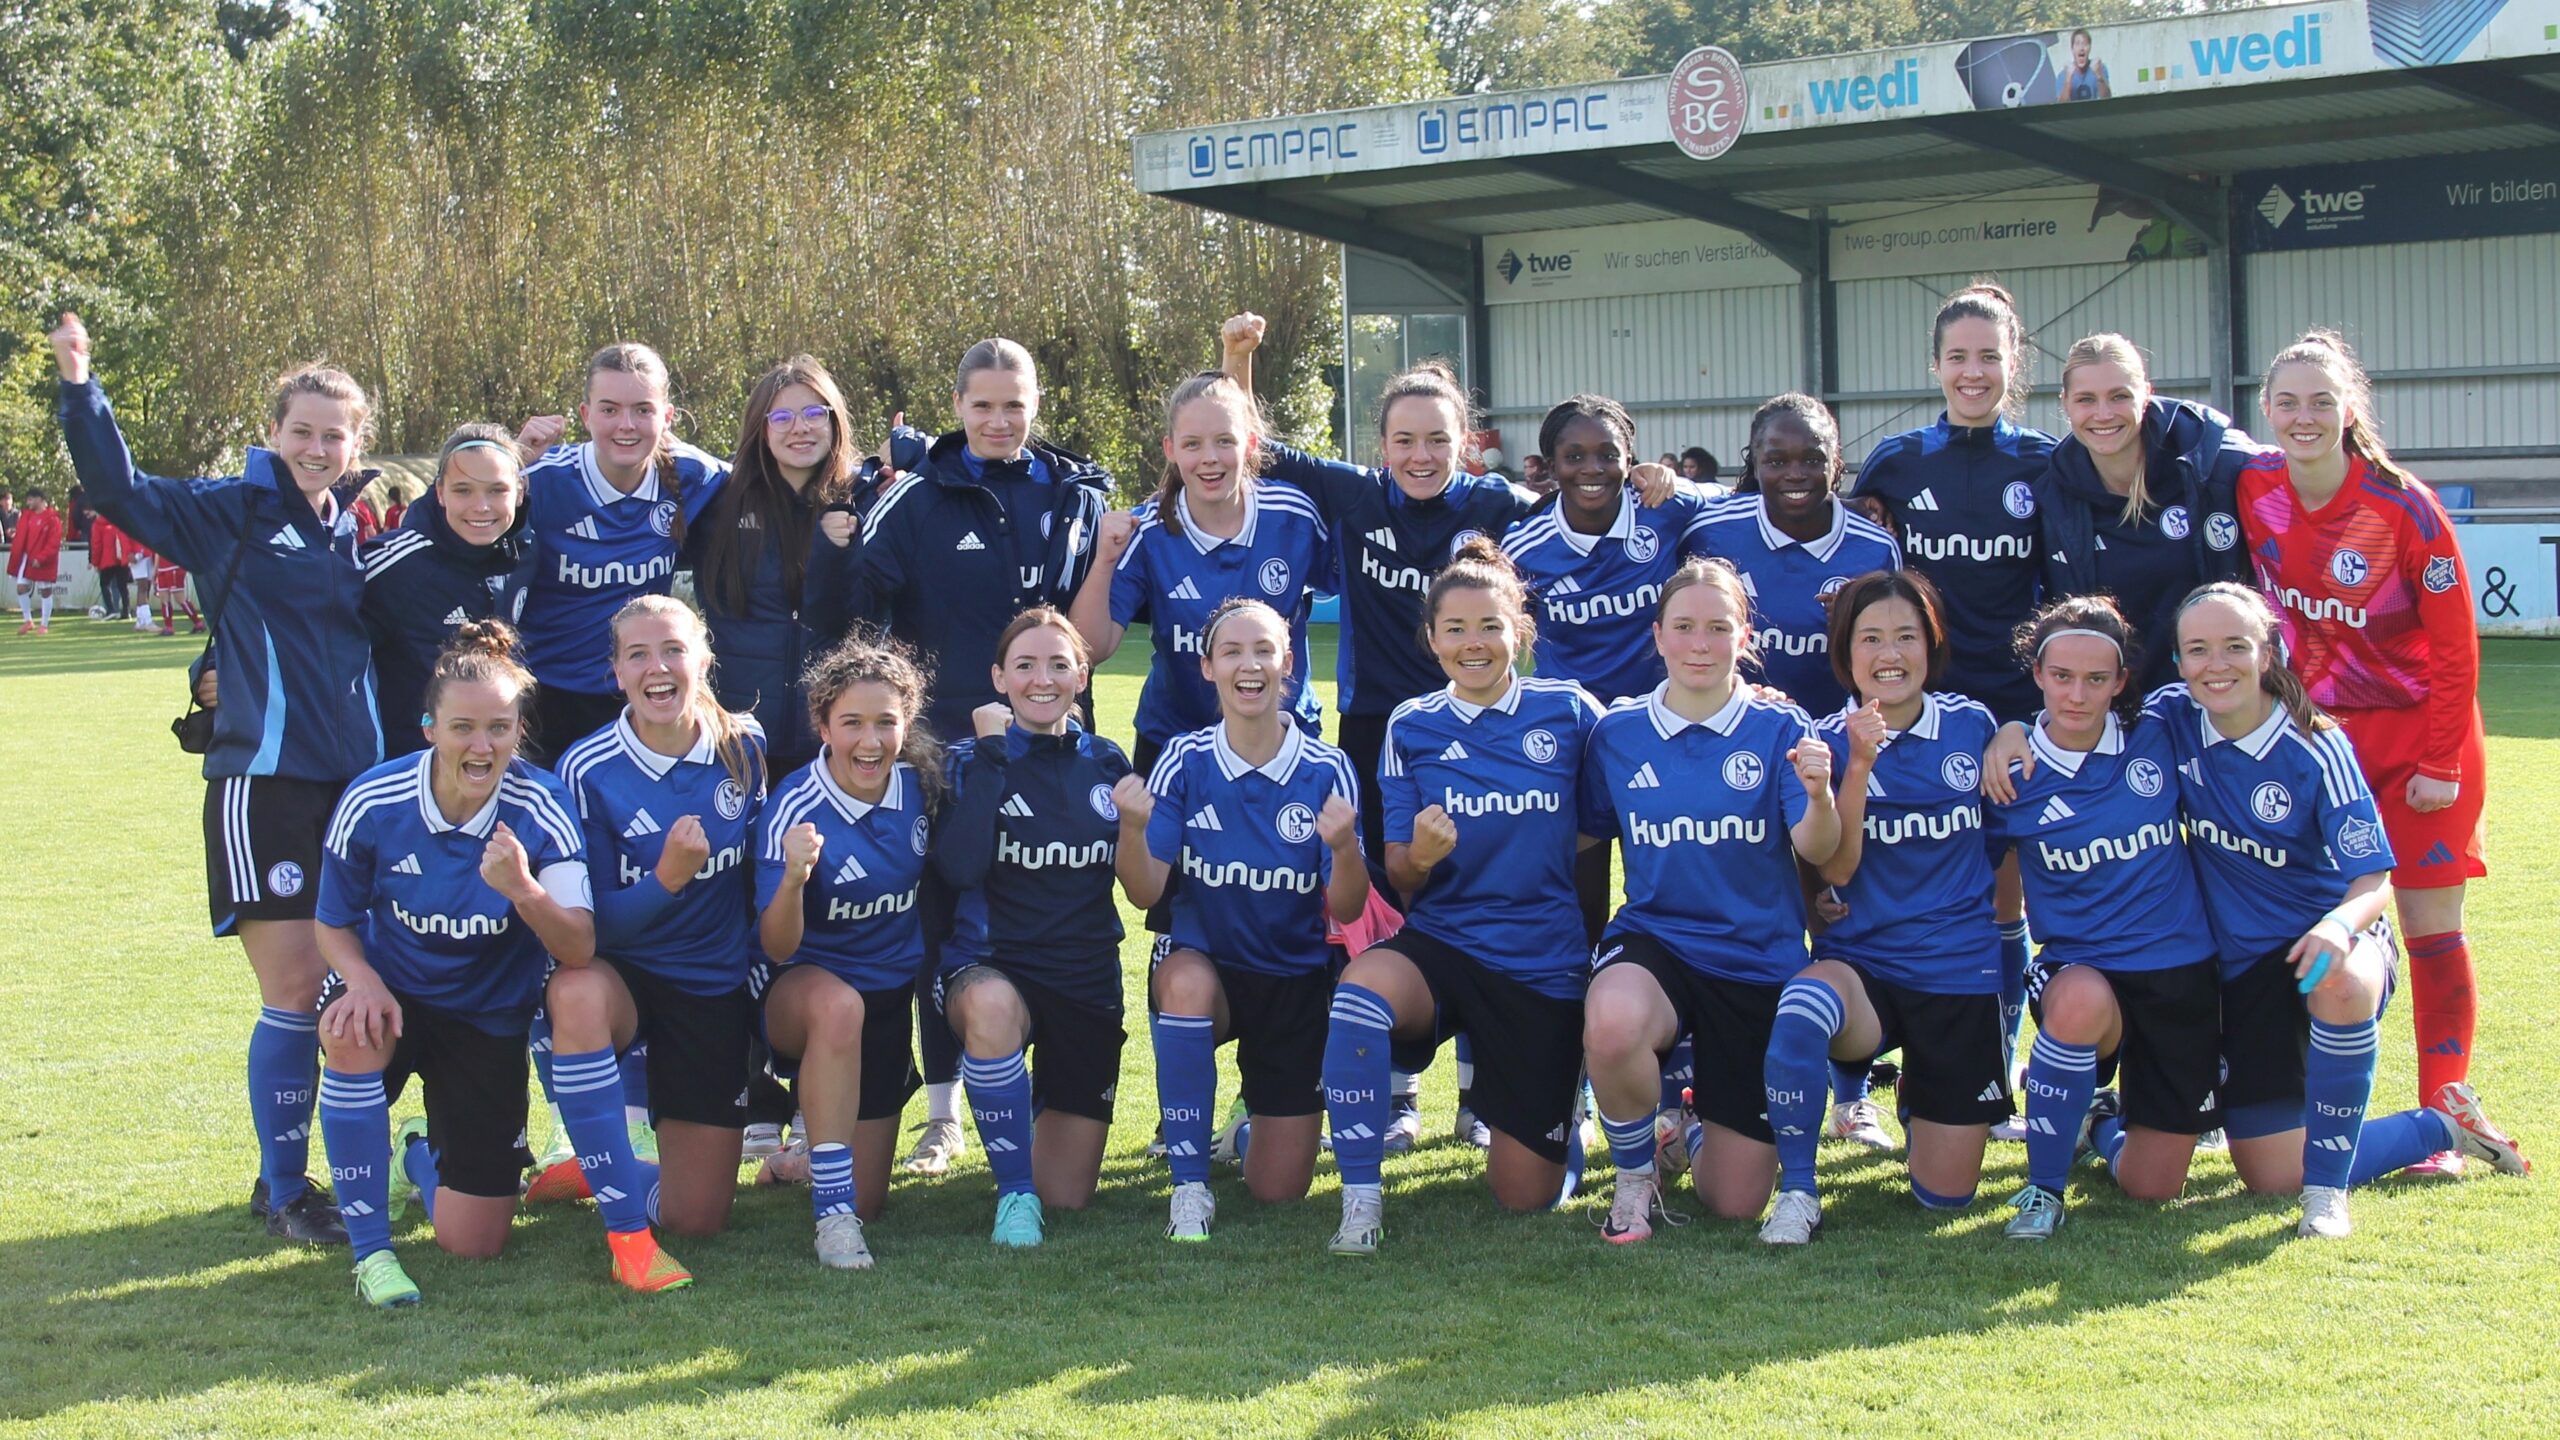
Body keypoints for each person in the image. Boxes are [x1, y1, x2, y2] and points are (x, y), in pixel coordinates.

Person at [1221, 312, 1674, 1152]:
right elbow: (1254, 444)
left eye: (1437, 438)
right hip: (1381, 729)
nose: (1419, 455)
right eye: (1403, 439)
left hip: (1494, 727)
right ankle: (1395, 1094)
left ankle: (1483, 1092)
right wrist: (1237, 360)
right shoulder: (1357, 496)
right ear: (1382, 444)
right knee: (1394, 900)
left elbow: (1587, 497)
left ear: (1466, 443)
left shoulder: (1497, 504)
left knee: (1496, 889)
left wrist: (1653, 481)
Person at [58, 311, 376, 1245]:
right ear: (273, 431)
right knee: (295, 989)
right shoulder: (228, 510)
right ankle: (284, 1190)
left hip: (354, 793)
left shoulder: (350, 530)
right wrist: (83, 387)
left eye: (335, 434)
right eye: (303, 431)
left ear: (355, 443)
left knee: (350, 983)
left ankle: (345, 1164)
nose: (318, 448)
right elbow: (114, 487)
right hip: (263, 786)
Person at [805, 338, 1116, 1178]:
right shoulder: (914, 503)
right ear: (958, 407)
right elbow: (860, 613)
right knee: (942, 923)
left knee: (1056, 907)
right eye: (983, 405)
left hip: (1054, 746)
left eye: (1015, 404)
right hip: (944, 752)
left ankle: (1061, 1088)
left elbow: (1097, 625)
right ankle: (942, 1117)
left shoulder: (1074, 493)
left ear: (1036, 404)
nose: (1000, 419)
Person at [2151, 583, 2526, 1239]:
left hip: (2333, 938)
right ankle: (2441, 1126)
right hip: (2242, 970)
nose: (2217, 664)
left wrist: (2335, 926)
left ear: (2269, 653)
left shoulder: (2316, 747)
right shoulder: (2171, 718)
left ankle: (2327, 1198)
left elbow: (2374, 877)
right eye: (2198, 649)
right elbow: (2083, 719)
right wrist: (2012, 734)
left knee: (2341, 978)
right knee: (2269, 1174)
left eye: (2235, 647)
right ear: (2179, 661)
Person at [2241, 330, 2500, 1175]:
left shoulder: (2404, 509)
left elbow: (2457, 649)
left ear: (2350, 409)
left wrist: (2441, 764)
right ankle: (2278, 1098)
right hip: (2322, 742)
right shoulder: (2255, 488)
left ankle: (2444, 1112)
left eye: (2322, 401)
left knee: (2427, 922)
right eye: (2288, 402)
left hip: (2421, 739)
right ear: (2266, 412)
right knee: (2306, 919)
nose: (2304, 417)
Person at [1320, 540, 1606, 1254]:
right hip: (1444, 946)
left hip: (1542, 965)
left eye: (1490, 626)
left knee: (1523, 1198)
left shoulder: (1569, 710)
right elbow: (1403, 877)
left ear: (1520, 631)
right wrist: (1420, 855)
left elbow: (1611, 809)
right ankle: (1360, 1202)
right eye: (1455, 629)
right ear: (1431, 639)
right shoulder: (1410, 724)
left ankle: (1559, 1110)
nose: (1473, 644)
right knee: (1359, 992)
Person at [310, 622, 595, 1306]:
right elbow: (332, 922)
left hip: (489, 1019)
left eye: (499, 727)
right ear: (429, 727)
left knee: (476, 1243)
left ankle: (416, 1150)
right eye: (463, 727)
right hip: (394, 994)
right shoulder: (374, 800)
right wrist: (364, 980)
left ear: (518, 730)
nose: (481, 745)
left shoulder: (543, 805)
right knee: (351, 1027)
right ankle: (372, 1254)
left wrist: (524, 890)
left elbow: (579, 947)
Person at [1581, 559, 1839, 1243]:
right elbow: (1581, 837)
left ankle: (1684, 1132)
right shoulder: (1617, 732)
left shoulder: (1780, 727)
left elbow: (1817, 848)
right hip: (1658, 940)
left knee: (1734, 1199)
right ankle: (1635, 1177)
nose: (1701, 644)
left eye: (1718, 628)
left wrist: (1819, 795)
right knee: (1610, 1022)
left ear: (1744, 635)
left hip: (1757, 958)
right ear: (1658, 636)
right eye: (1685, 627)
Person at [1846, 283, 2056, 1127]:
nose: (1975, 372)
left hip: (2002, 718)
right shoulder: (1897, 463)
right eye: (1959, 357)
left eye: (1990, 357)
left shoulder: (2044, 462)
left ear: (2014, 364)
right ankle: (1852, 1093)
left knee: (2001, 902)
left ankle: (1990, 1077)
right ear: (1935, 365)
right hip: (1904, 709)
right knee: (1867, 885)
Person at [1758, 570, 2007, 1242]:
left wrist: (2012, 736)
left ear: (1932, 644)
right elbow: (1832, 864)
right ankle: (1799, 1192)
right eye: (1871, 638)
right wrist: (1860, 765)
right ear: (1845, 651)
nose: (1889, 653)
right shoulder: (1821, 740)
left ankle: (1922, 1093)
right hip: (1862, 968)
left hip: (1957, 974)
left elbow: (2003, 841)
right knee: (1803, 1006)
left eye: (1907, 635)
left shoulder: (1972, 726)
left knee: (1944, 1201)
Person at [1118, 599, 1369, 1240]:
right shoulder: (1184, 759)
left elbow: (1345, 907)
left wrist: (1342, 848)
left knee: (1277, 1192)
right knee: (1182, 981)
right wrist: (1133, 828)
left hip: (1294, 981)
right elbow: (1146, 894)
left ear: (1288, 662)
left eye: (1264, 650)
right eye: (1231, 651)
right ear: (1207, 668)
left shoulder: (1326, 766)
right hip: (1212, 971)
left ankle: (1251, 1128)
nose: (1248, 664)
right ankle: (1189, 1186)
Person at [540, 595, 767, 1291]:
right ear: (614, 673)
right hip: (626, 977)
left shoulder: (744, 747)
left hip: (713, 984)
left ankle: (599, 1165)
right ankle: (625, 1236)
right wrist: (668, 879)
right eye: (637, 654)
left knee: (699, 1219)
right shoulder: (586, 767)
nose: (657, 667)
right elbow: (591, 929)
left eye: (673, 649)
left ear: (703, 659)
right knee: (574, 991)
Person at [1979, 596, 2220, 1239]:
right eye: (2061, 676)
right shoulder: (2011, 771)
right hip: (2080, 969)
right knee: (2079, 999)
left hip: (2180, 973)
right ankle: (2043, 1192)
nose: (2077, 695)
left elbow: (2235, 694)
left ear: (2120, 681)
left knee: (2152, 1187)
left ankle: (2099, 1123)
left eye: (2095, 680)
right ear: (2037, 674)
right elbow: (1958, 867)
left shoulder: (2160, 731)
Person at [931, 607, 1144, 1246]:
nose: (1041, 679)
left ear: (1082, 675)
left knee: (1070, 1196)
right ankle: (1014, 1195)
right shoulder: (969, 760)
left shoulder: (1107, 762)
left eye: (1058, 664)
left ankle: (1032, 1116)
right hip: (994, 966)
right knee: (993, 1010)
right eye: (1024, 665)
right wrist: (997, 758)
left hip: (1085, 978)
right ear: (1000, 678)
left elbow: (1137, 891)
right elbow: (961, 867)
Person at [755, 636, 944, 1269]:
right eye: (852, 723)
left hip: (887, 998)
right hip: (803, 996)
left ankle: (808, 1161)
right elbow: (776, 943)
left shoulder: (922, 787)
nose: (870, 741)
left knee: (873, 1198)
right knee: (838, 1009)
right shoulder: (796, 807)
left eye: (886, 722)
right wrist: (792, 880)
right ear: (822, 725)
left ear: (906, 723)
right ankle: (831, 1220)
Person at [1071, 369, 1331, 794]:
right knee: (1158, 863)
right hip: (1174, 743)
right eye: (1192, 444)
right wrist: (1103, 561)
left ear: (1249, 444)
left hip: (1283, 739)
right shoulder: (1148, 531)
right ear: (1171, 450)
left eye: (1224, 441)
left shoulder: (1294, 515)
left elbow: (1358, 584)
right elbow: (1090, 650)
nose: (1210, 457)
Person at [515, 342, 732, 755]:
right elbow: (452, 507)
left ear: (667, 417)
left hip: (639, 694)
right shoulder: (541, 479)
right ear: (586, 415)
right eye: (610, 409)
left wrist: (868, 480)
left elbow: (772, 479)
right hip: (545, 693)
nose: (626, 425)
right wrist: (510, 457)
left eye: (643, 410)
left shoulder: (693, 475)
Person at [2034, 332, 2253, 694]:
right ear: (2065, 404)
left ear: (2147, 393)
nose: (2103, 414)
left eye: (2119, 396)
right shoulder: (2054, 494)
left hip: (2218, 703)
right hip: (2119, 716)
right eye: (2086, 399)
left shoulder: (2217, 464)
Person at [696, 356, 859, 781]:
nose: (799, 428)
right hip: (733, 743)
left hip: (834, 748)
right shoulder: (716, 504)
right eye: (782, 416)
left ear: (835, 421)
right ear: (760, 428)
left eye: (813, 414)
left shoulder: (867, 503)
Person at [1693, 394, 1903, 722]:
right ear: (1756, 464)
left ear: (1836, 461)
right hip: (1732, 735)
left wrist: (1853, 623)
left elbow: (1894, 655)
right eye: (1777, 461)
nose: (1796, 474)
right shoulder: (1711, 530)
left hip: (1836, 737)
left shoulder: (1876, 547)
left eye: (1812, 459)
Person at [359, 425, 529, 757]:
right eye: (463, 490)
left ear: (519, 492)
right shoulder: (395, 566)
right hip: (408, 770)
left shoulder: (525, 553)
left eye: (497, 490)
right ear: (439, 492)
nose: (481, 506)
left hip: (488, 766)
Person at [10, 487, 64, 634]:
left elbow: (54, 542)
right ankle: (28, 621)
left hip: (43, 560)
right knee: (21, 587)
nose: (28, 503)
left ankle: (44, 624)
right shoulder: (26, 516)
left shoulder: (53, 519)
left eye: (30, 499)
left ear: (40, 499)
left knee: (45, 590)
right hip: (27, 558)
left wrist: (42, 557)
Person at [89, 511, 131, 621]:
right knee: (123, 586)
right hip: (122, 559)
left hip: (107, 560)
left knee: (104, 584)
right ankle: (126, 610)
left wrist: (95, 562)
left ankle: (111, 609)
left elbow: (96, 545)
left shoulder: (98, 525)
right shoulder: (120, 522)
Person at [2054, 30, 2110, 102]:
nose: (2081, 48)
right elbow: (2061, 104)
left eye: (2085, 44)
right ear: (2072, 49)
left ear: (2090, 48)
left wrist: (2099, 75)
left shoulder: (2100, 69)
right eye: (2077, 44)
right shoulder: (2063, 75)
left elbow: (2107, 98)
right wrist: (2068, 79)